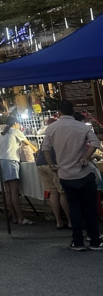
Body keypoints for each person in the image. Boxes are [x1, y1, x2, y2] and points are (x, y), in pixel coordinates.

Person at [41, 101, 102, 251]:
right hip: (84, 172)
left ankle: (78, 241)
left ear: (58, 113)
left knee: (73, 208)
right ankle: (95, 240)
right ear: (72, 111)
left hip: (65, 174)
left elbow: (46, 148)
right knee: (89, 208)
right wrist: (86, 157)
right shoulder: (82, 126)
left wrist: (51, 164)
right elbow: (95, 142)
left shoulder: (52, 128)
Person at [0, 117, 36, 225]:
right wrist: (36, 150)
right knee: (14, 192)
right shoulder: (15, 131)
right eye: (19, 124)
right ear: (15, 123)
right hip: (11, 161)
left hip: (1, 162)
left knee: (8, 192)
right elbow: (28, 143)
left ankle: (14, 217)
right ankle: (21, 218)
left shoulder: (2, 134)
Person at [34, 136, 71, 230]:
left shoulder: (48, 135)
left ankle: (59, 222)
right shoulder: (60, 135)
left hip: (40, 164)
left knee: (53, 192)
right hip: (53, 164)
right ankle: (71, 221)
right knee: (62, 192)